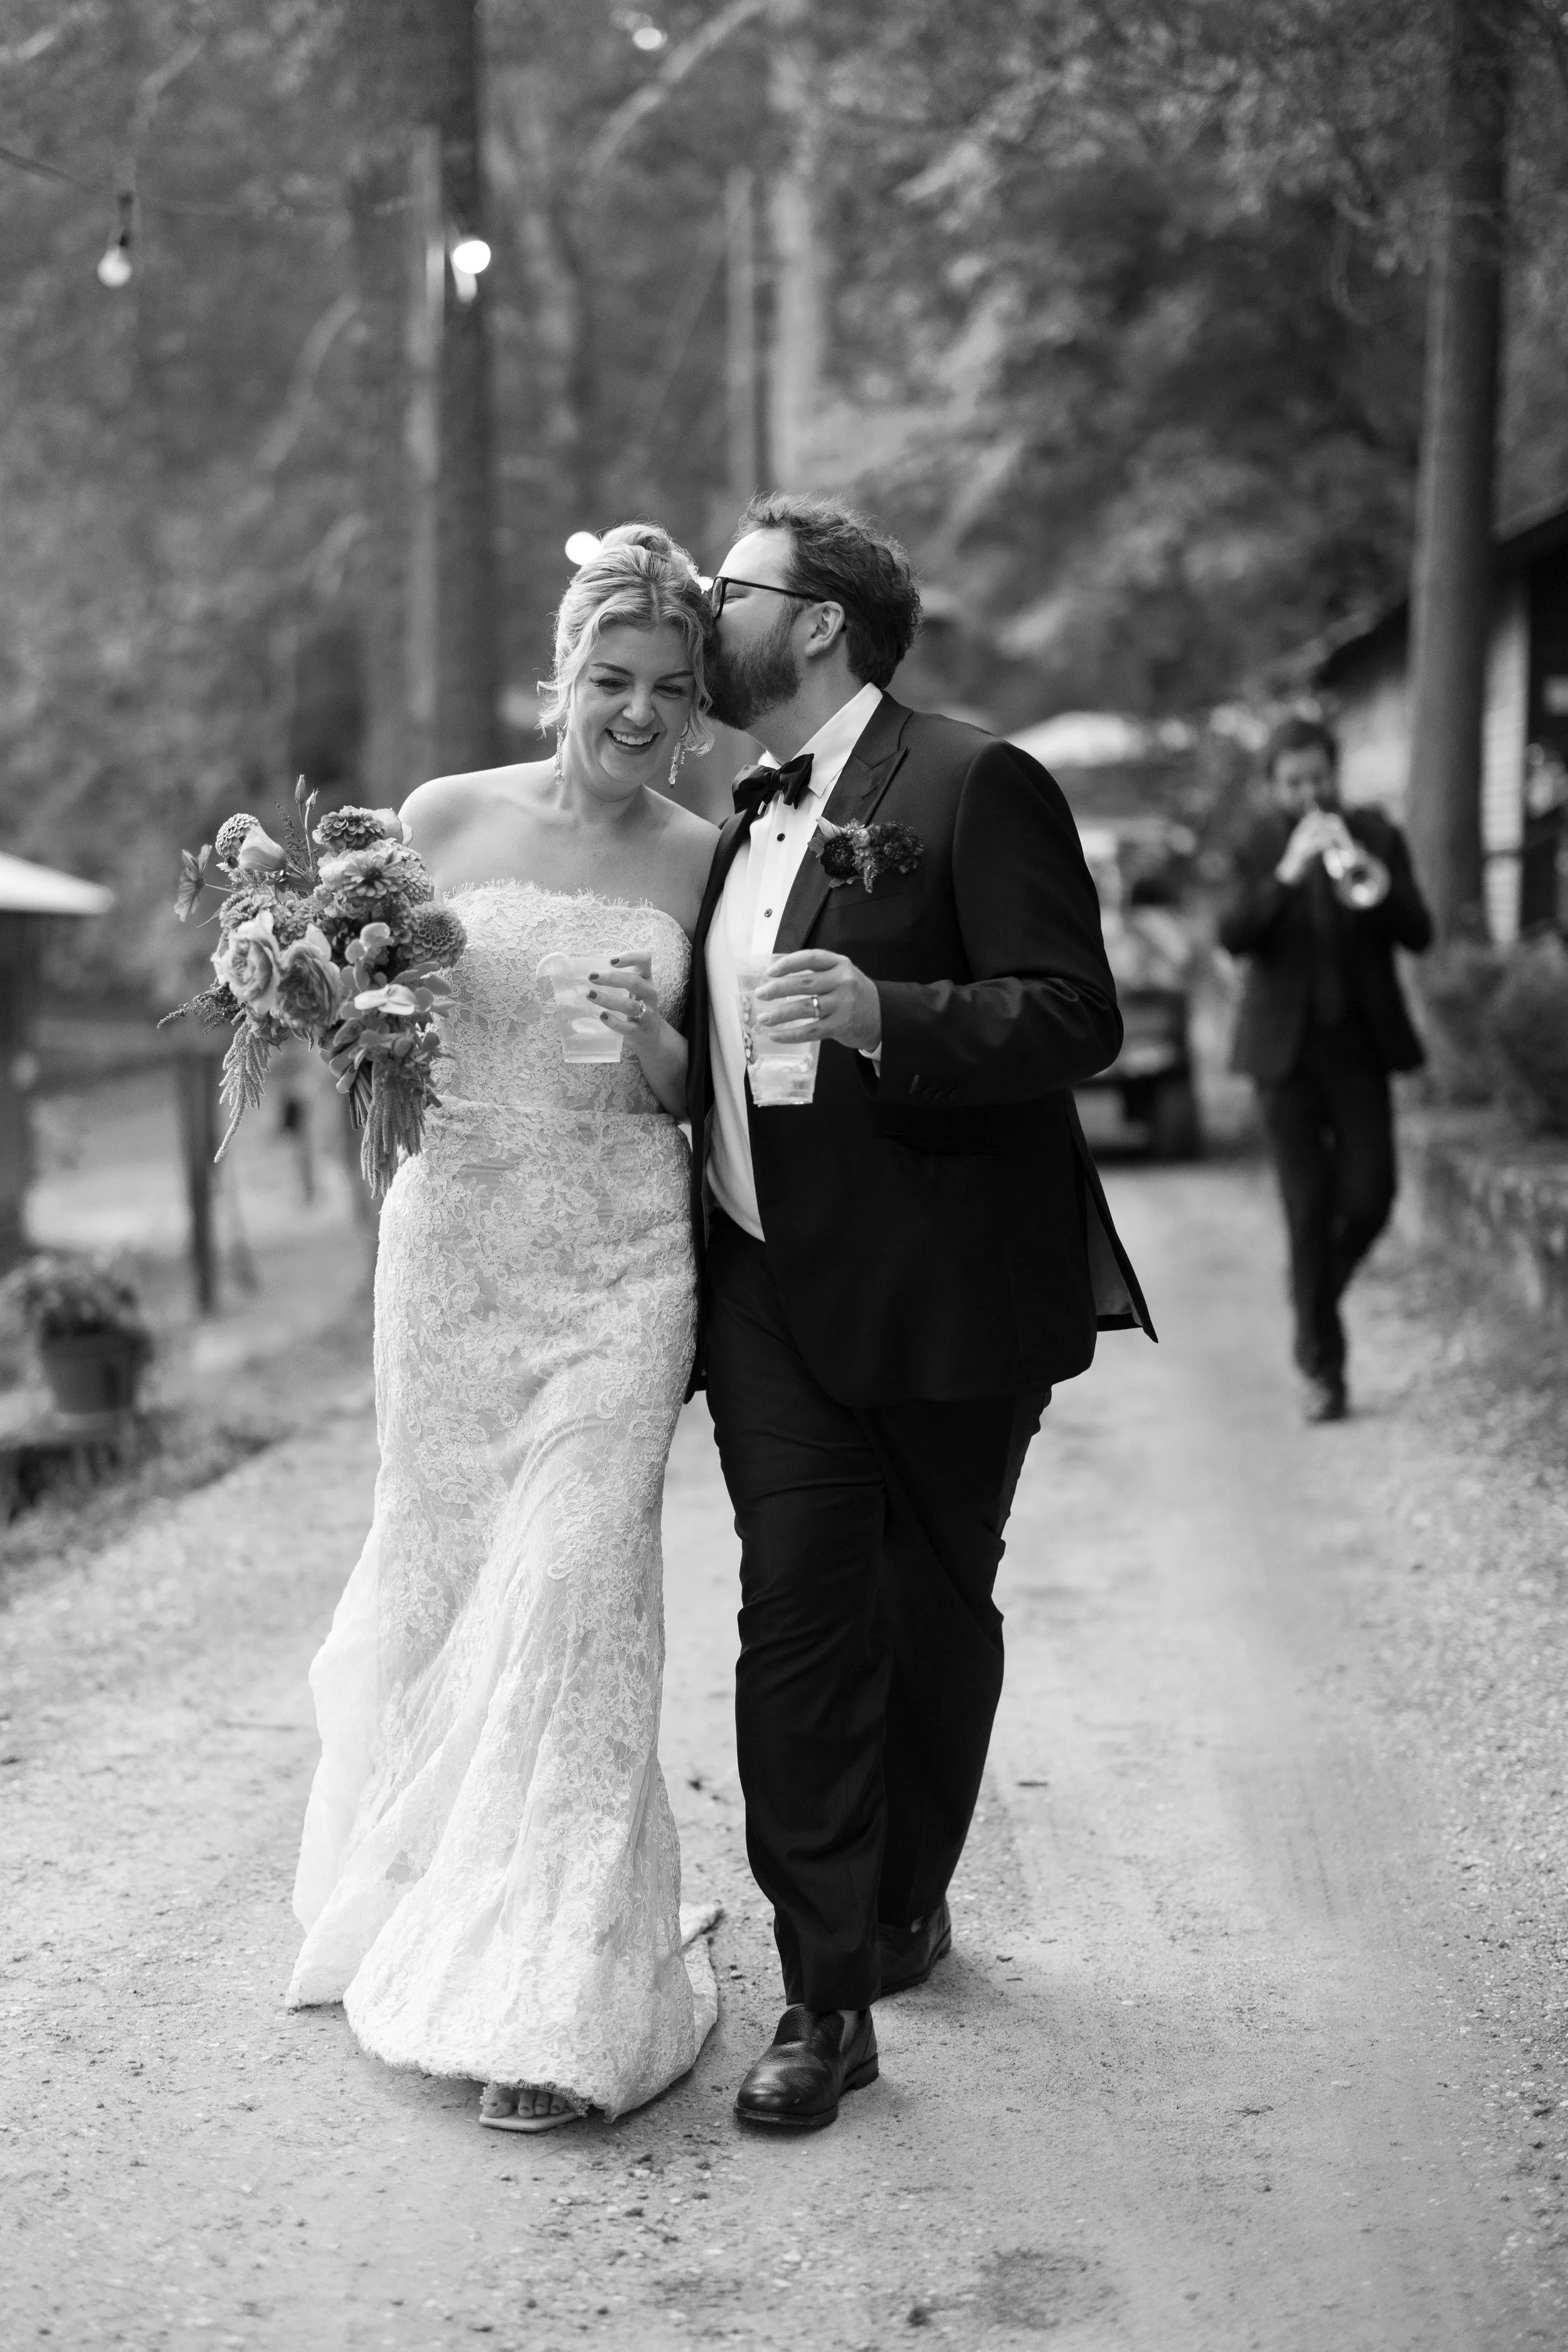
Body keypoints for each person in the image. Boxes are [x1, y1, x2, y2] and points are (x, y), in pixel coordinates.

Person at [686, 492, 1154, 2132]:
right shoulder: (728, 821)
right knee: (801, 1604)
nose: (699, 605)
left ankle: (905, 1891)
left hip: (949, 1286)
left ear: (813, 621)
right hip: (763, 1284)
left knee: (933, 1607)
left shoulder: (970, 780)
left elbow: (1071, 1013)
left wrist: (895, 1011)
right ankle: (819, 1995)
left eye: (723, 586)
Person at [287, 524, 722, 2132]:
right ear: (563, 673)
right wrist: (331, 1005)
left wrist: (667, 1044)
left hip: (620, 1268)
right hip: (458, 1258)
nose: (634, 711)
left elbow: (720, 1100)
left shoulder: (701, 856)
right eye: (611, 678)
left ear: (692, 710)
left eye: (669, 691)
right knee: (454, 1574)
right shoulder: (441, 819)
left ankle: (559, 1987)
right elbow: (377, 1040)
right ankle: (434, 1895)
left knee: (582, 1596)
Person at [1219, 714, 1433, 1422]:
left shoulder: (1373, 834)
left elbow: (1419, 932)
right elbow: (1234, 934)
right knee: (1308, 1209)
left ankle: (1313, 1294)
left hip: (1358, 1051)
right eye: (1293, 783)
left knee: (1371, 1197)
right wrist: (1285, 875)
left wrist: (1370, 889)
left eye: (1318, 778)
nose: (1308, 794)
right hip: (1282, 1058)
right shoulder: (1255, 843)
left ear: (1334, 773)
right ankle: (1323, 1371)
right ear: (1272, 785)